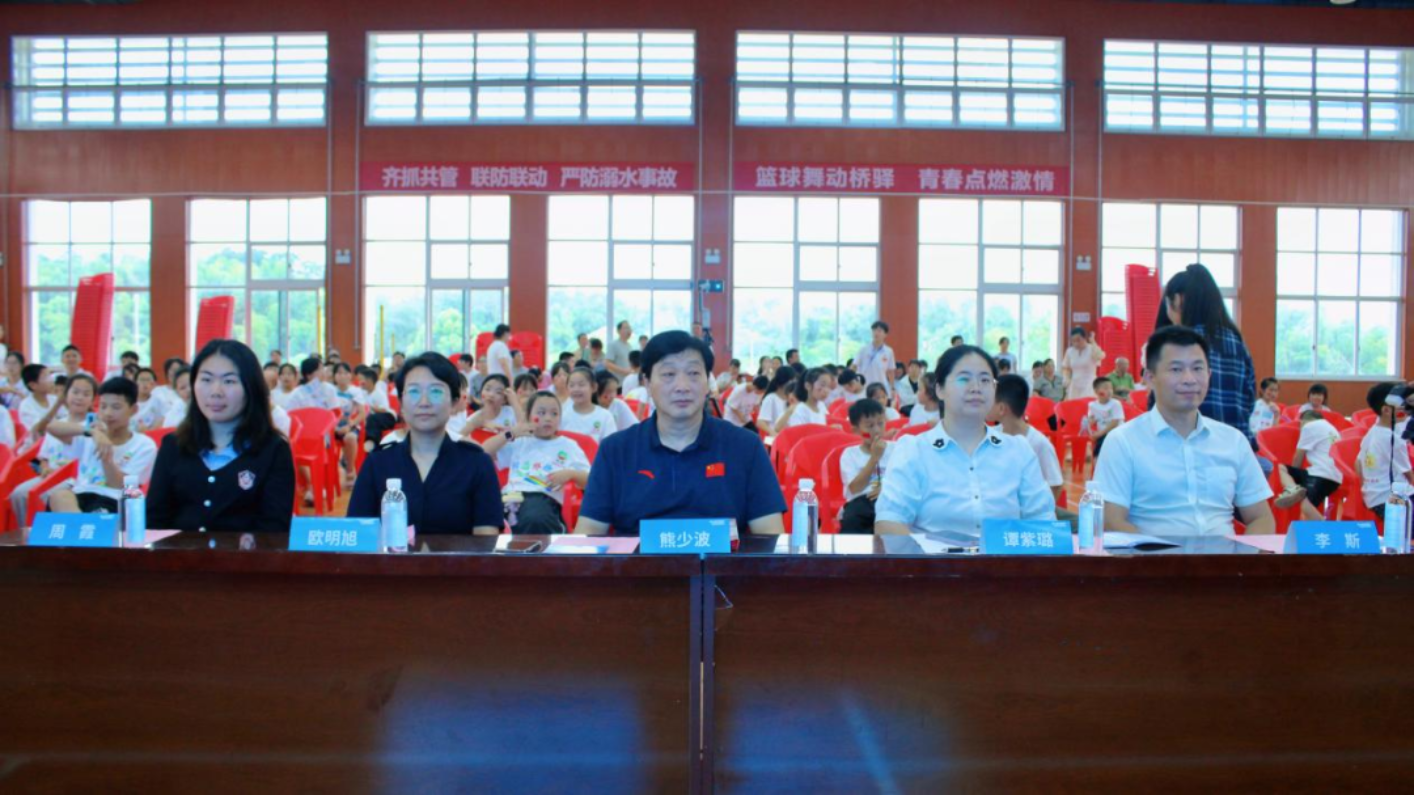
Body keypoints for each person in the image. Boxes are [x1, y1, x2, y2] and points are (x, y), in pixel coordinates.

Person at [575, 331, 785, 537]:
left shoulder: (746, 447)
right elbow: (589, 534)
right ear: (647, 383)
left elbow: (770, 537)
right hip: (638, 561)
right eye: (668, 374)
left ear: (707, 382)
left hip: (722, 561)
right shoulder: (615, 451)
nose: (682, 387)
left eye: (693, 373)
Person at [1093, 326, 1274, 536]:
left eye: (1198, 368)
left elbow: (1261, 517)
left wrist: (1244, 556)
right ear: (1150, 378)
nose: (1189, 379)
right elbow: (1111, 520)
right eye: (1176, 369)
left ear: (1209, 374)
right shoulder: (1122, 441)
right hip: (1150, 554)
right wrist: (1164, 554)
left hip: (1224, 555)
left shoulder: (1233, 440)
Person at [875, 346, 1054, 536]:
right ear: (939, 389)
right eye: (964, 379)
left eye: (985, 380)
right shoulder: (913, 450)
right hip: (930, 556)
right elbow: (888, 522)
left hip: (1003, 555)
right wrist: (925, 555)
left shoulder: (1019, 450)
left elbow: (1043, 521)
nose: (976, 388)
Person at [144, 339, 296, 533]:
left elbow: (274, 530)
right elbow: (154, 521)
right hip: (177, 553)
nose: (215, 392)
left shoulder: (273, 450)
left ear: (251, 387)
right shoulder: (173, 445)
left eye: (229, 381)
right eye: (206, 380)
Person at [347, 352, 503, 535]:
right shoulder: (377, 463)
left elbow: (485, 544)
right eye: (414, 392)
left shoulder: (477, 463)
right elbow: (356, 535)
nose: (424, 402)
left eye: (436, 392)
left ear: (454, 403)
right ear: (401, 403)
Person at [1153, 263, 1257, 442]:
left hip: (1189, 446)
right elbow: (1249, 398)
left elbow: (1160, 403)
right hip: (1236, 445)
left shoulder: (1177, 344)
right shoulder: (1236, 341)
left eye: (1167, 304)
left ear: (1178, 300)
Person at [480, 391, 592, 534]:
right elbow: (482, 453)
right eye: (541, 413)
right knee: (481, 518)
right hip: (510, 497)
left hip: (543, 498)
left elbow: (591, 481)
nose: (548, 418)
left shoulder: (568, 445)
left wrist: (570, 474)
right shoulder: (520, 440)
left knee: (534, 518)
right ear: (529, 416)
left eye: (554, 414)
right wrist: (511, 433)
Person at [46, 378, 158, 514]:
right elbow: (52, 427)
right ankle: (81, 524)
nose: (108, 413)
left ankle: (81, 525)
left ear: (133, 409)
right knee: (59, 496)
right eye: (103, 406)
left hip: (114, 499)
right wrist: (92, 432)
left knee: (98, 512)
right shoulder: (91, 433)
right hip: (81, 493)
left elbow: (118, 485)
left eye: (116, 407)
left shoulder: (144, 445)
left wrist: (106, 455)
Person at [12, 375, 98, 523]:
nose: (79, 398)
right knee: (18, 494)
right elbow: (44, 457)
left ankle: (49, 533)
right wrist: (45, 468)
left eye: (86, 394)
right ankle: (26, 531)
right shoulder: (57, 424)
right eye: (75, 392)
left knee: (45, 495)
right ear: (66, 394)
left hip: (73, 479)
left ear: (93, 399)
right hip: (50, 475)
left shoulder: (94, 426)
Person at [989, 374, 1064, 503]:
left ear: (1001, 408)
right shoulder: (991, 436)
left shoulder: (1039, 444)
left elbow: (1055, 485)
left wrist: (1039, 511)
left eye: (988, 401)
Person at [1357, 382, 1414, 521]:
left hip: (1373, 498)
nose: (1407, 410)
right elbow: (1409, 475)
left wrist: (1366, 489)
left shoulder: (1373, 432)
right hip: (1393, 499)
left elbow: (1358, 463)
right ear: (1387, 411)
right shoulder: (1393, 439)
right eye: (1403, 406)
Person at [839, 398, 896, 534]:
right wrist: (874, 458)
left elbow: (907, 480)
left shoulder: (896, 448)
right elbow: (855, 488)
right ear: (856, 430)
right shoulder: (850, 454)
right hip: (861, 502)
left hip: (891, 497)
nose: (877, 430)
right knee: (853, 520)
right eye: (870, 426)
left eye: (880, 423)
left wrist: (887, 488)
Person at [1284, 409, 1342, 516]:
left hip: (1320, 475)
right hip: (1336, 478)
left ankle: (1292, 490)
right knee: (1308, 508)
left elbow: (1298, 458)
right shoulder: (1331, 428)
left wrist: (1293, 477)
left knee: (1281, 468)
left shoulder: (1309, 427)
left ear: (1303, 421)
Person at [561, 366, 618, 443]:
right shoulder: (562, 414)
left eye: (581, 385)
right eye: (572, 385)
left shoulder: (605, 416)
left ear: (594, 387)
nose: (576, 389)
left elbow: (611, 445)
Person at [777, 367, 830, 432]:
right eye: (822, 385)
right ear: (808, 386)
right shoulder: (800, 410)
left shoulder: (820, 407)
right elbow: (799, 435)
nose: (826, 390)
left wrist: (829, 429)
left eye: (828, 386)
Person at [1085, 376, 1125, 461]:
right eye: (1106, 388)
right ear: (1096, 391)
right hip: (1103, 434)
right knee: (1099, 447)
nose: (1109, 391)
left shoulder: (1115, 404)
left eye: (1111, 388)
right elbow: (1091, 420)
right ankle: (1098, 462)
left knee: (1105, 441)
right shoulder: (1092, 405)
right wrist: (1090, 423)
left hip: (1116, 433)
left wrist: (1100, 433)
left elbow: (1115, 423)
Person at [1061, 326, 1106, 400]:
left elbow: (1100, 356)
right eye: (1073, 341)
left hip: (1089, 384)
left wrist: (1093, 342)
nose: (1076, 343)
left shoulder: (1091, 348)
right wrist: (1066, 378)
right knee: (1074, 404)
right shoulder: (1070, 351)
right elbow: (1066, 367)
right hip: (1074, 384)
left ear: (1084, 338)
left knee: (1086, 403)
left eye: (1078, 340)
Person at [855, 321, 896, 400]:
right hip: (864, 387)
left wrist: (892, 387)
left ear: (885, 334)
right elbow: (854, 366)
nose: (876, 333)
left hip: (880, 387)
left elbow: (891, 371)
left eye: (879, 331)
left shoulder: (889, 351)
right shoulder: (863, 349)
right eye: (874, 330)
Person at [18, 363, 60, 431]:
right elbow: (38, 430)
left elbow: (66, 418)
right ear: (33, 385)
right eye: (46, 377)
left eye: (50, 376)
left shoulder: (54, 399)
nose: (51, 380)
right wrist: (57, 405)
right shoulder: (26, 405)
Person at [757, 369, 794, 435]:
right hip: (776, 437)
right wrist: (772, 432)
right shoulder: (771, 398)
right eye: (791, 381)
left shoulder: (792, 398)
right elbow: (760, 422)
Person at [132, 367, 166, 432]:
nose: (145, 383)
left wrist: (147, 432)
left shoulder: (158, 402)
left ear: (154, 384)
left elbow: (161, 421)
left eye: (148, 380)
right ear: (135, 383)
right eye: (142, 380)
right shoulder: (129, 401)